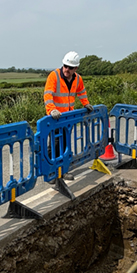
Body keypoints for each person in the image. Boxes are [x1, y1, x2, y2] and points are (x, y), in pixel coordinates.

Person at [44, 51, 93, 181]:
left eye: (70, 68)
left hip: (67, 118)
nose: (66, 69)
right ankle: (51, 173)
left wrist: (86, 104)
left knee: (65, 145)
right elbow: (48, 95)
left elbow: (82, 92)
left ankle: (62, 171)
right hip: (55, 118)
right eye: (65, 66)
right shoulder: (54, 76)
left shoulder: (78, 78)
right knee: (54, 145)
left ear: (75, 68)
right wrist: (51, 110)